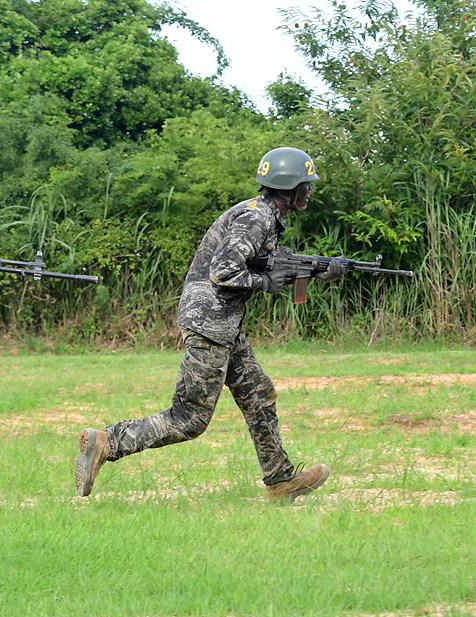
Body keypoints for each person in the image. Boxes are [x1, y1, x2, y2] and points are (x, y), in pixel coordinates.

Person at [75, 147, 346, 504]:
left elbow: (257, 264)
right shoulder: (257, 218)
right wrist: (267, 283)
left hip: (224, 325)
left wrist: (315, 271)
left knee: (258, 395)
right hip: (211, 323)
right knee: (189, 419)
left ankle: (281, 481)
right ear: (289, 185)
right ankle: (108, 441)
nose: (310, 191)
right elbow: (225, 271)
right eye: (306, 185)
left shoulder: (261, 213)